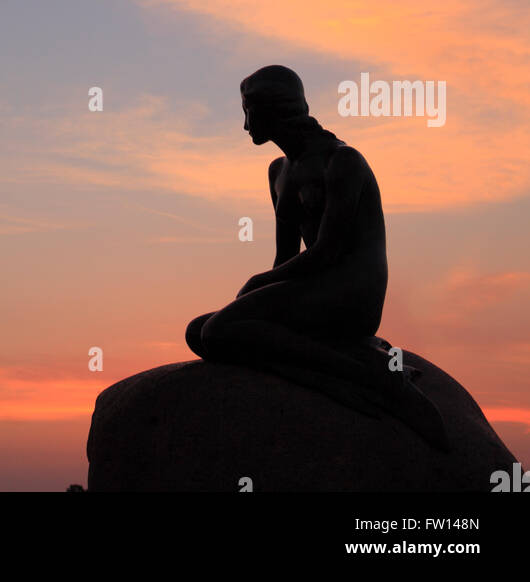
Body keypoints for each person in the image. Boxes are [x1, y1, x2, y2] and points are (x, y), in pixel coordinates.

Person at [185, 65, 448, 449]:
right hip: (313, 291)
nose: (245, 126)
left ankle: (372, 376)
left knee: (218, 331)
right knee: (200, 332)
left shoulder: (343, 162)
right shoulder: (279, 171)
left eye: (249, 111)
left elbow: (328, 252)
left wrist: (257, 286)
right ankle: (321, 368)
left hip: (352, 295)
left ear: (277, 108)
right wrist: (259, 298)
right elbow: (285, 256)